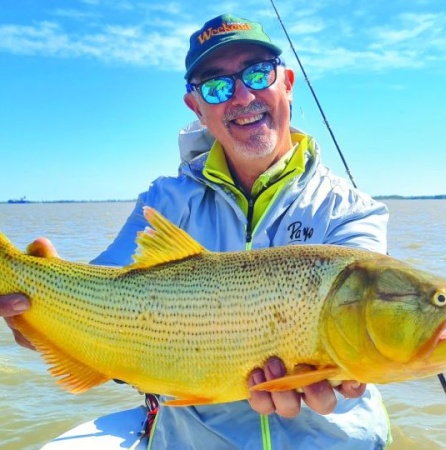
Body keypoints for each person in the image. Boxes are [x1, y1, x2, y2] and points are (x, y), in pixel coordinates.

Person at [1, 13, 391, 450]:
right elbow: (103, 306)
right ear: (197, 107)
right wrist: (44, 321)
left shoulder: (353, 211)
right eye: (216, 86)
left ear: (287, 82)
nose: (242, 95)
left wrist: (345, 374)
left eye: (258, 73)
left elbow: (361, 331)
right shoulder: (165, 201)